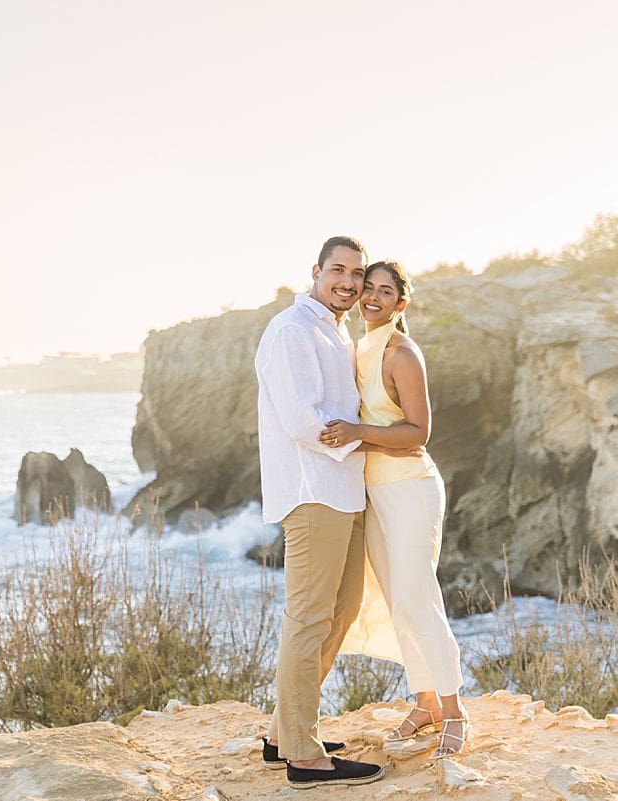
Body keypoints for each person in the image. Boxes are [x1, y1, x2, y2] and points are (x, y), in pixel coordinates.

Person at [255, 236, 413, 789]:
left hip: (344, 493)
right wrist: (373, 443)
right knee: (307, 618)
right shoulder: (291, 331)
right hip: (312, 493)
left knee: (341, 611)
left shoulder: (333, 329)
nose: (348, 281)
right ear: (316, 271)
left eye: (356, 273)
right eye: (338, 270)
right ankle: (304, 756)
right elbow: (303, 420)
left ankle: (283, 731)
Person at [321, 260, 470, 760]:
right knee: (395, 600)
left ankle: (454, 710)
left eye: (386, 292)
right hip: (373, 492)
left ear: (400, 304)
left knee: (417, 596)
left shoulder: (402, 353)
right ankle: (425, 702)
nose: (372, 297)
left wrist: (358, 432)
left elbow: (418, 433)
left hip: (410, 488)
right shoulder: (358, 347)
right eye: (368, 288)